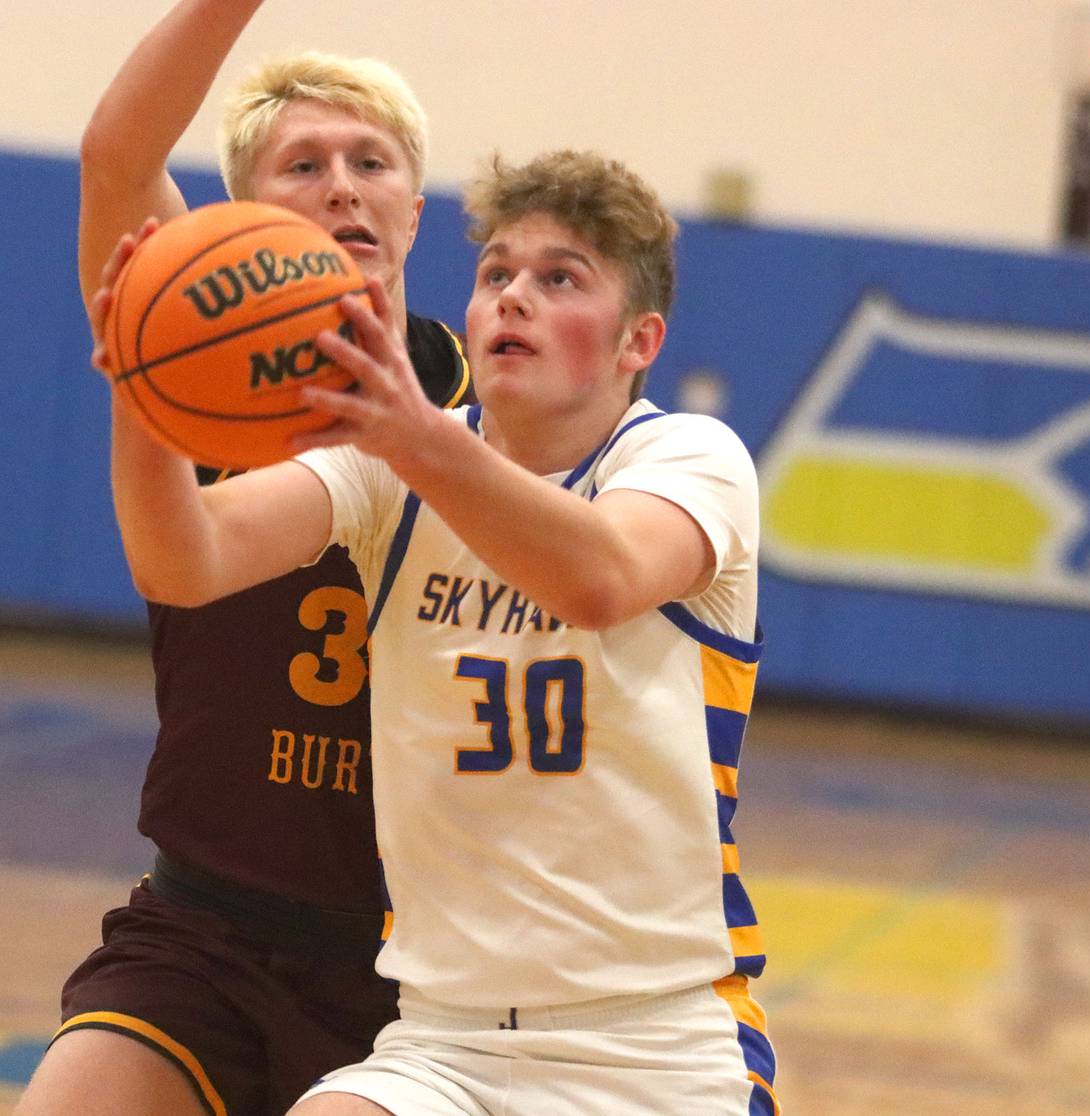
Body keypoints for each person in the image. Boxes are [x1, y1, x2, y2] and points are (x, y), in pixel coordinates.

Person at [88, 148, 780, 1115]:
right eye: (496, 273)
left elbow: (600, 576)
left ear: (638, 342)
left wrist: (410, 432)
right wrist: (141, 391)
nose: (513, 297)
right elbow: (185, 559)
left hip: (654, 1044)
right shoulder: (389, 471)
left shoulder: (688, 458)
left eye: (559, 278)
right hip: (441, 1040)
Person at [17, 3, 472, 1115]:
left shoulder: (483, 427)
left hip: (433, 970)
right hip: (207, 931)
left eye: (373, 162)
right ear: (241, 219)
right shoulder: (196, 373)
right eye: (303, 164)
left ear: (415, 210)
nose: (344, 185)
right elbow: (117, 160)